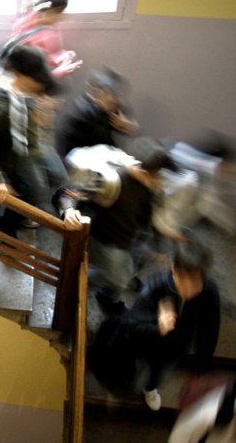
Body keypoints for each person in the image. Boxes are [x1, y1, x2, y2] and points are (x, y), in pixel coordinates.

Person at [89, 234, 220, 411]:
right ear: (174, 268)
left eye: (195, 283)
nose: (189, 290)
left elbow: (210, 329)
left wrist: (202, 365)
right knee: (136, 372)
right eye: (184, 281)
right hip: (147, 344)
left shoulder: (208, 292)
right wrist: (158, 326)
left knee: (159, 374)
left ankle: (150, 388)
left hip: (176, 348)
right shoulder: (157, 287)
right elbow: (129, 325)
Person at [57, 136, 181, 313]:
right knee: (119, 280)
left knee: (128, 271)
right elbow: (69, 193)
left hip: (129, 240)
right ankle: (79, 279)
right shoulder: (112, 181)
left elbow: (152, 218)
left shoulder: (152, 190)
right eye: (160, 176)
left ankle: (104, 285)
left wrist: (156, 247)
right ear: (148, 173)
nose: (163, 182)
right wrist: (68, 210)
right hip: (107, 240)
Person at [0, 45, 61, 238]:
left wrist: (44, 119)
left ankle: (10, 225)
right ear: (20, 74)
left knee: (53, 178)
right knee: (30, 195)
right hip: (10, 160)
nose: (40, 87)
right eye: (36, 80)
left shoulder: (27, 92)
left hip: (27, 150)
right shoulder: (2, 105)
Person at [55, 67, 138, 160]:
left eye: (114, 98)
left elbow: (130, 128)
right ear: (93, 91)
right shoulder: (82, 111)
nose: (107, 100)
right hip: (79, 155)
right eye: (101, 95)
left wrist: (129, 127)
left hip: (105, 153)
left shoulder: (117, 106)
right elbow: (65, 147)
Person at [9, 0, 81, 80]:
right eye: (61, 12)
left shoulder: (54, 27)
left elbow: (55, 51)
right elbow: (26, 54)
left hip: (41, 71)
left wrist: (65, 55)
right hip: (25, 73)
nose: (62, 17)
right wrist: (56, 66)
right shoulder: (26, 23)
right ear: (55, 10)